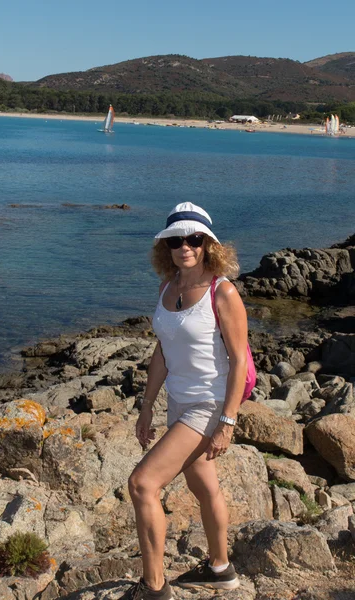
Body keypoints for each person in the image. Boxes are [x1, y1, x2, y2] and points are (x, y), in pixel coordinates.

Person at [122, 202, 248, 600]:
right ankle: (221, 568)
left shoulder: (222, 291)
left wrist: (227, 422)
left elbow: (240, 359)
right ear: (167, 247)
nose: (185, 247)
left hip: (208, 405)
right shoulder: (167, 287)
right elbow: (163, 350)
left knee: (142, 484)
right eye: (176, 240)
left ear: (209, 244)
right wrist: (147, 405)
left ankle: (155, 588)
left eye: (194, 239)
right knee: (203, 484)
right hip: (177, 401)